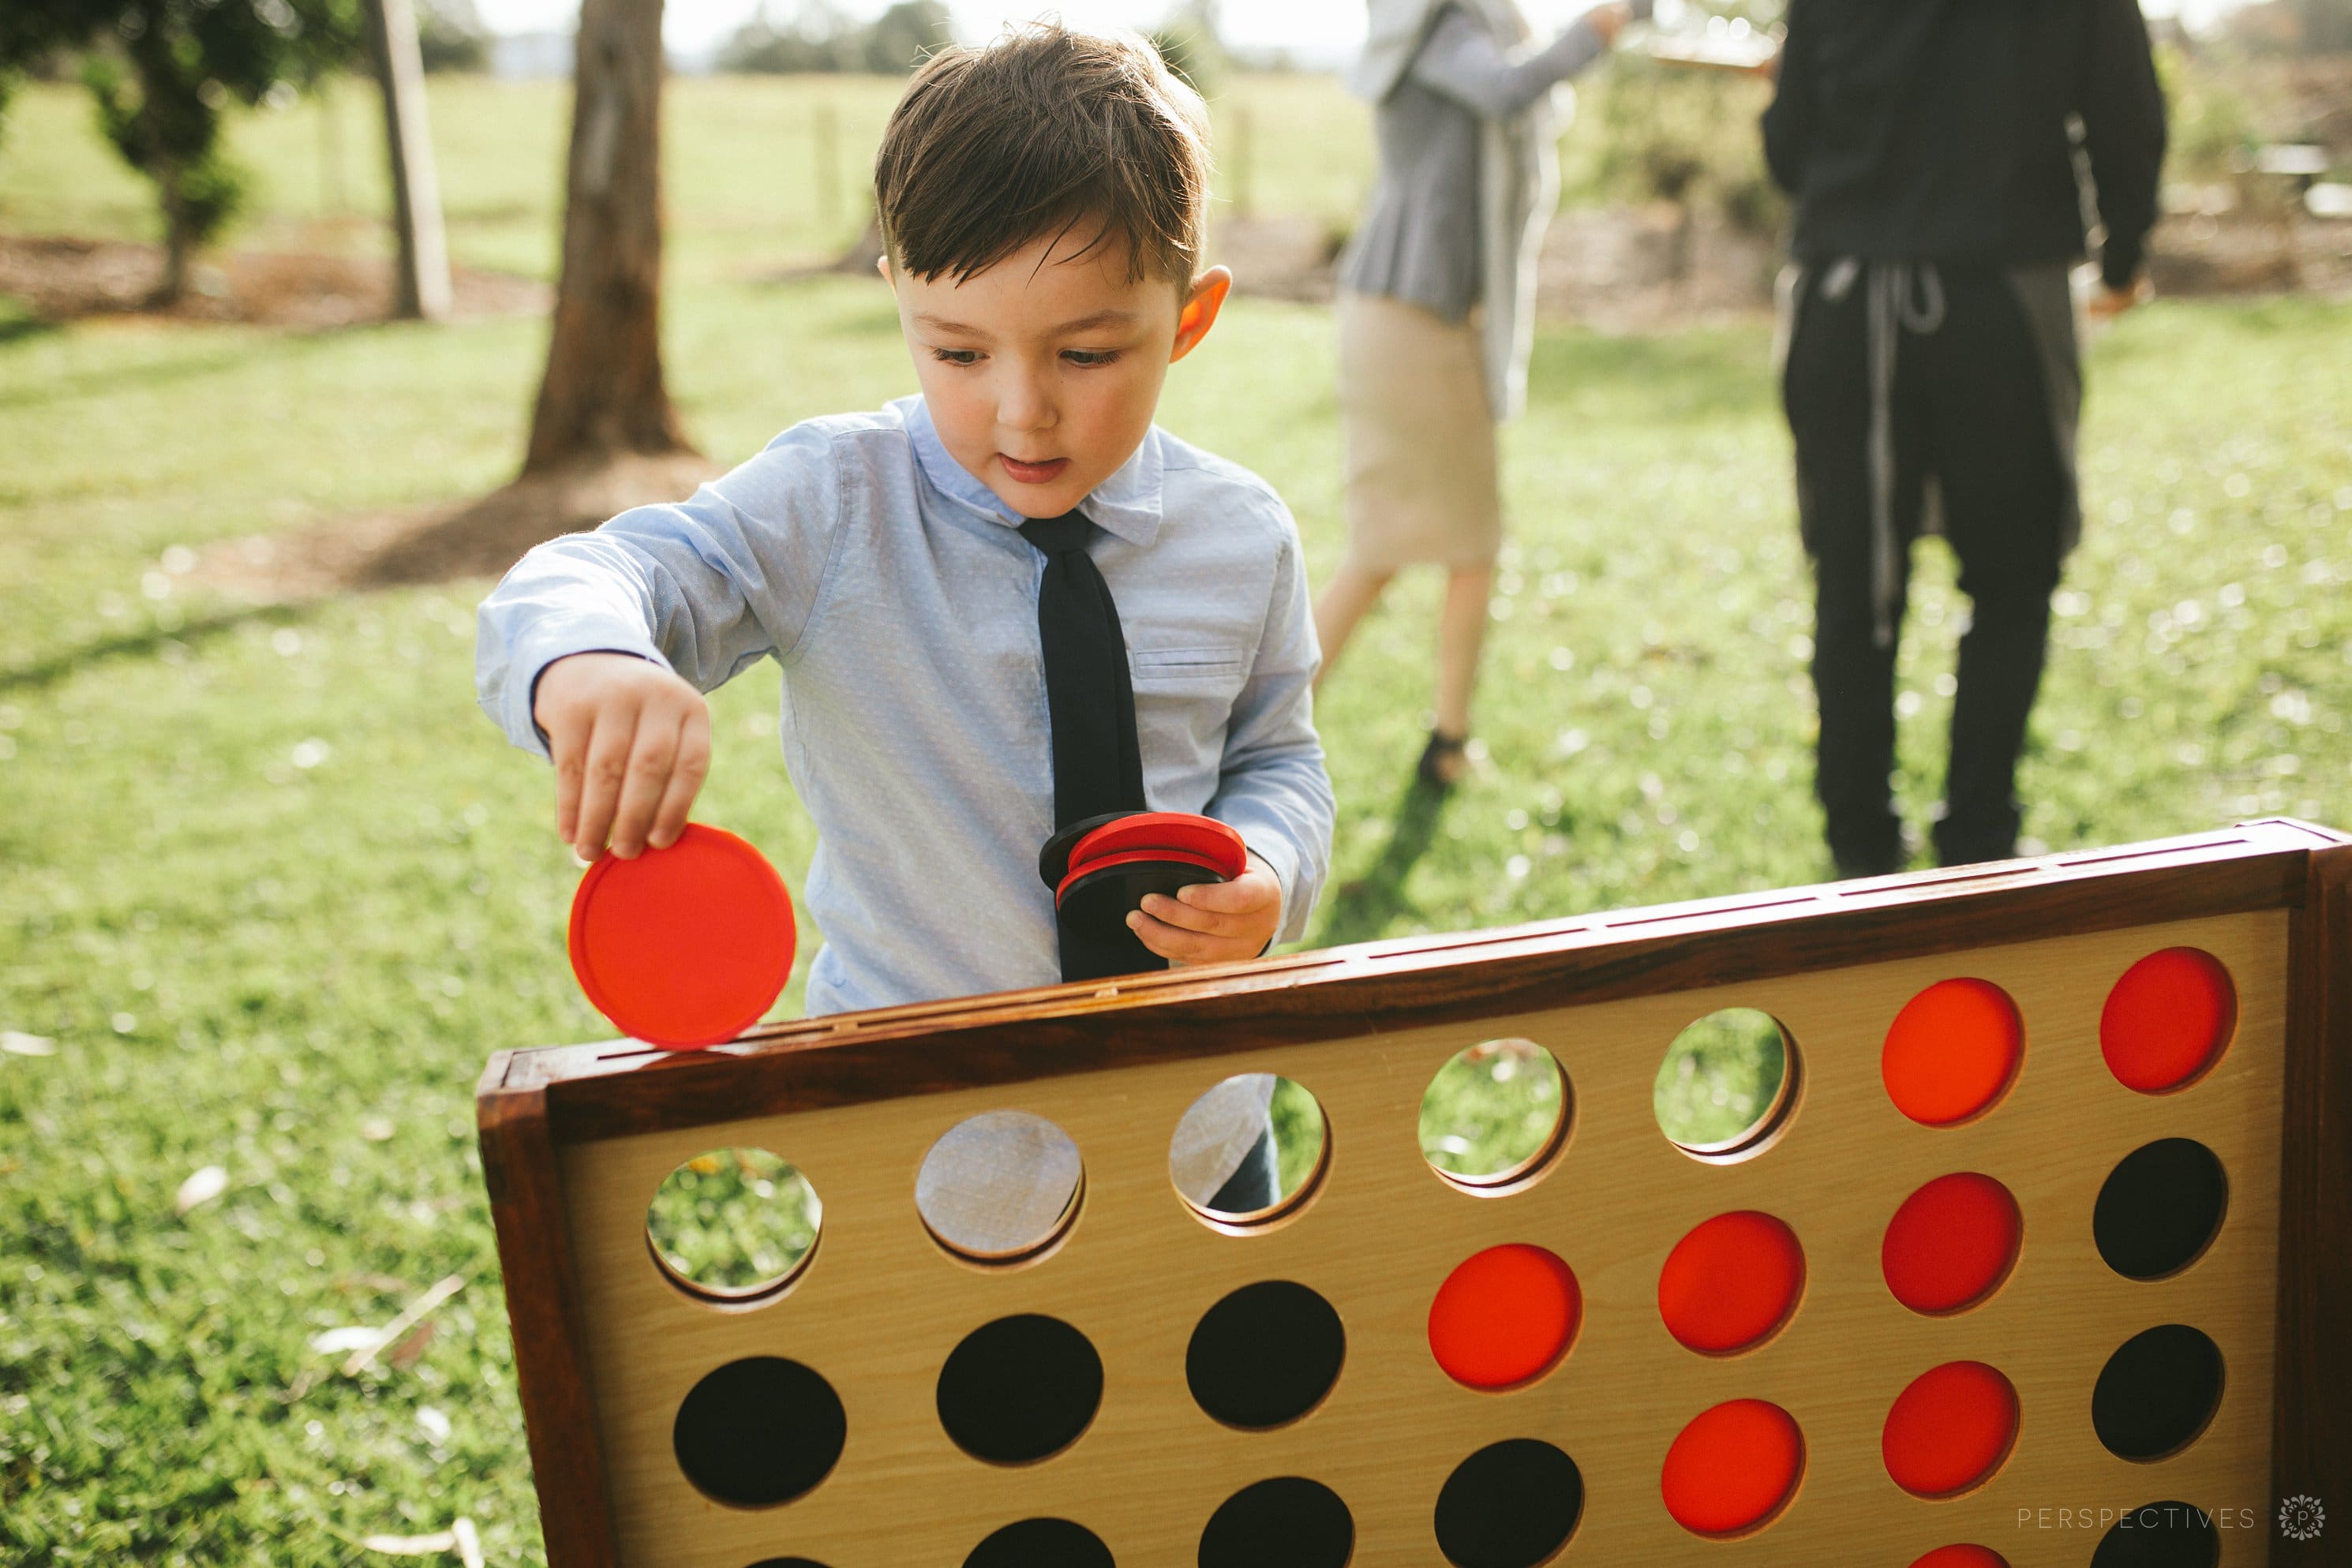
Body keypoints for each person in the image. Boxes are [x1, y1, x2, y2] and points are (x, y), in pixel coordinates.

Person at [474, 26, 1335, 1203]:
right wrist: (590, 658)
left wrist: (1275, 871)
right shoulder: (832, 506)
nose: (1021, 412)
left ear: (1188, 318)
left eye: (1085, 352)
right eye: (958, 350)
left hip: (1207, 1124)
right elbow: (589, 576)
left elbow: (1280, 755)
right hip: (927, 1153)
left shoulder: (1242, 536)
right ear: (899, 299)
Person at [1762, 0, 2167, 875]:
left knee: (1857, 589)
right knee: (2013, 583)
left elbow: (1787, 149)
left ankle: (1862, 850)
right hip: (2001, 305)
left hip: (1846, 295)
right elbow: (2125, 111)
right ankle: (1979, 838)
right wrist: (2124, 255)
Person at [1316, 0, 1642, 789]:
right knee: (1403, 546)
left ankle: (1446, 740)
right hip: (1407, 318)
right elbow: (1508, 90)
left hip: (1426, 318)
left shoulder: (1460, 23)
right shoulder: (1435, 26)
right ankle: (1268, 727)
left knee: (1450, 544)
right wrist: (1593, 31)